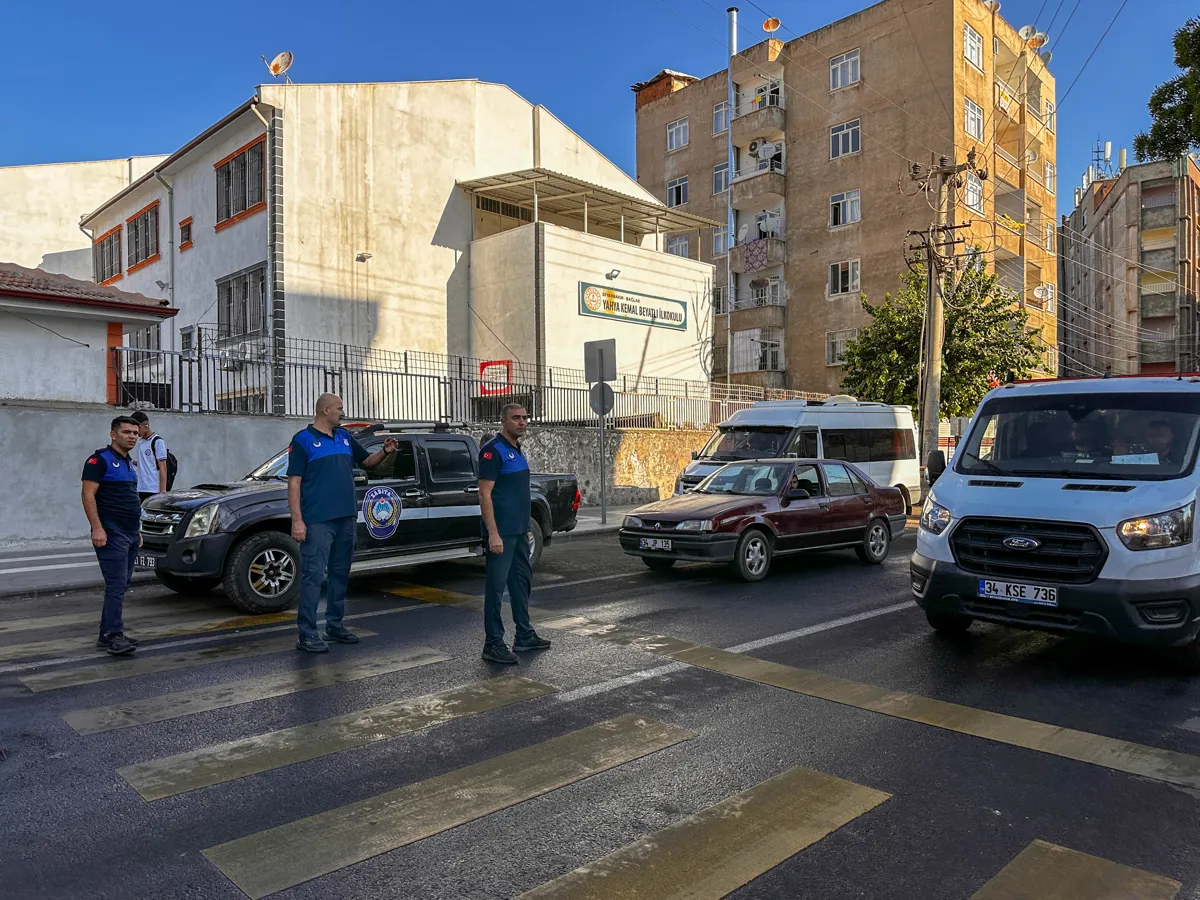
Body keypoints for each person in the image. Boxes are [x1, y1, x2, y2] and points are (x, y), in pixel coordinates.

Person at [287, 394, 395, 652]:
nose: (342, 412)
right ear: (325, 410)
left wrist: (384, 452)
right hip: (317, 520)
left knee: (339, 574)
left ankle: (334, 625)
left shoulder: (346, 437)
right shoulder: (303, 440)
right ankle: (307, 634)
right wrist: (297, 520)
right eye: (339, 408)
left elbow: (367, 463)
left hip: (345, 518)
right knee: (313, 576)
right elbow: (294, 483)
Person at [478, 403, 551, 664]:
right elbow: (485, 494)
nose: (522, 422)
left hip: (519, 532)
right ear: (503, 421)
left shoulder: (517, 450)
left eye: (524, 418)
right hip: (502, 533)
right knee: (496, 589)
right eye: (516, 418)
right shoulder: (492, 452)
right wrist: (493, 534)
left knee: (521, 585)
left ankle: (524, 635)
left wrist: (527, 530)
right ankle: (493, 643)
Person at [81, 416, 144, 656]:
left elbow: (129, 501)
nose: (132, 436)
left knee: (122, 584)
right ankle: (112, 636)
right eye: (127, 432)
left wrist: (136, 531)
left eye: (135, 433)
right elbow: (88, 496)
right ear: (113, 434)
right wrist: (97, 528)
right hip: (111, 533)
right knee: (116, 585)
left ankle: (108, 632)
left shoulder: (128, 463)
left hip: (129, 533)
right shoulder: (99, 460)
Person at [130, 411, 168, 502]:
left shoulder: (158, 442)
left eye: (137, 428)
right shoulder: (140, 442)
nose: (136, 432)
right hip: (140, 487)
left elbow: (163, 467)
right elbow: (147, 462)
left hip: (153, 489)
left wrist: (162, 491)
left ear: (146, 426)